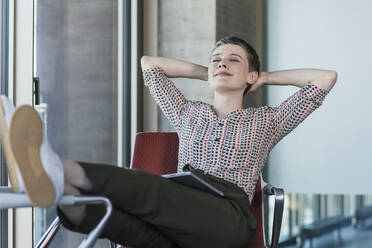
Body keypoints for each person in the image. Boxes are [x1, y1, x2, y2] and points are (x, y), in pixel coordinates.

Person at [0, 36, 337, 248]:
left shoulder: (267, 120)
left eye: (233, 60)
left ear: (250, 75)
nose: (222, 63)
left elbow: (324, 79)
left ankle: (58, 170)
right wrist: (206, 71)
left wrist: (262, 78)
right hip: (178, 212)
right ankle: (60, 191)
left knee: (150, 189)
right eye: (216, 59)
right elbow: (150, 66)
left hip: (227, 217)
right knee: (123, 225)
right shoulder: (187, 112)